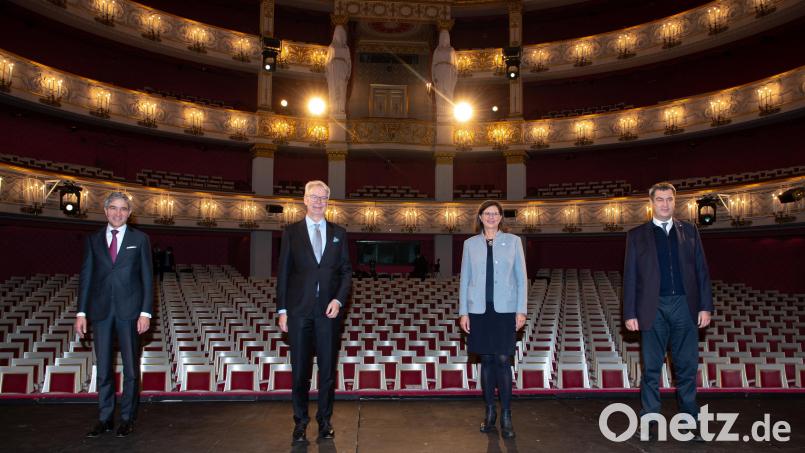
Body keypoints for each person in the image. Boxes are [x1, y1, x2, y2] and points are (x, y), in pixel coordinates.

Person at [623, 182, 713, 441]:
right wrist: (630, 313)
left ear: (675, 202)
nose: (664, 204)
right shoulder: (636, 235)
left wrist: (705, 306)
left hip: (685, 306)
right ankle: (650, 420)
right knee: (651, 369)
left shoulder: (691, 231)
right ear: (651, 203)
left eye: (669, 199)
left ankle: (690, 421)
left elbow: (702, 271)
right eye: (660, 199)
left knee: (686, 368)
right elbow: (631, 277)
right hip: (653, 308)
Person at [277, 180, 352, 444]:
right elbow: (284, 274)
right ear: (305, 200)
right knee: (300, 371)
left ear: (328, 202)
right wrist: (282, 310)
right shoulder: (291, 232)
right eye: (314, 197)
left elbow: (346, 273)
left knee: (328, 372)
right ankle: (300, 422)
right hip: (298, 312)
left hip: (328, 314)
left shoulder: (338, 233)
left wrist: (339, 301)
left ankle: (324, 421)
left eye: (323, 198)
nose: (319, 201)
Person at [74, 192, 153, 438]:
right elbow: (86, 278)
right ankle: (105, 417)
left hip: (130, 312)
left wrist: (146, 312)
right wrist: (81, 312)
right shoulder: (93, 240)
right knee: (104, 368)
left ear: (129, 213)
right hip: (101, 312)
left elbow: (148, 278)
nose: (118, 213)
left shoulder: (140, 239)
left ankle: (127, 418)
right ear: (106, 210)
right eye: (114, 208)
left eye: (123, 209)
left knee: (130, 369)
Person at [459, 200, 527, 439]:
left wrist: (521, 310)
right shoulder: (470, 244)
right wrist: (463, 312)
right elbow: (465, 279)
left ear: (500, 218)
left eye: (495, 214)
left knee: (502, 359)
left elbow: (521, 278)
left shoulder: (514, 242)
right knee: (486, 360)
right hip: (478, 310)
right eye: (486, 213)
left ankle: (506, 414)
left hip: (505, 310)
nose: (491, 217)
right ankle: (490, 412)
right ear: (480, 217)